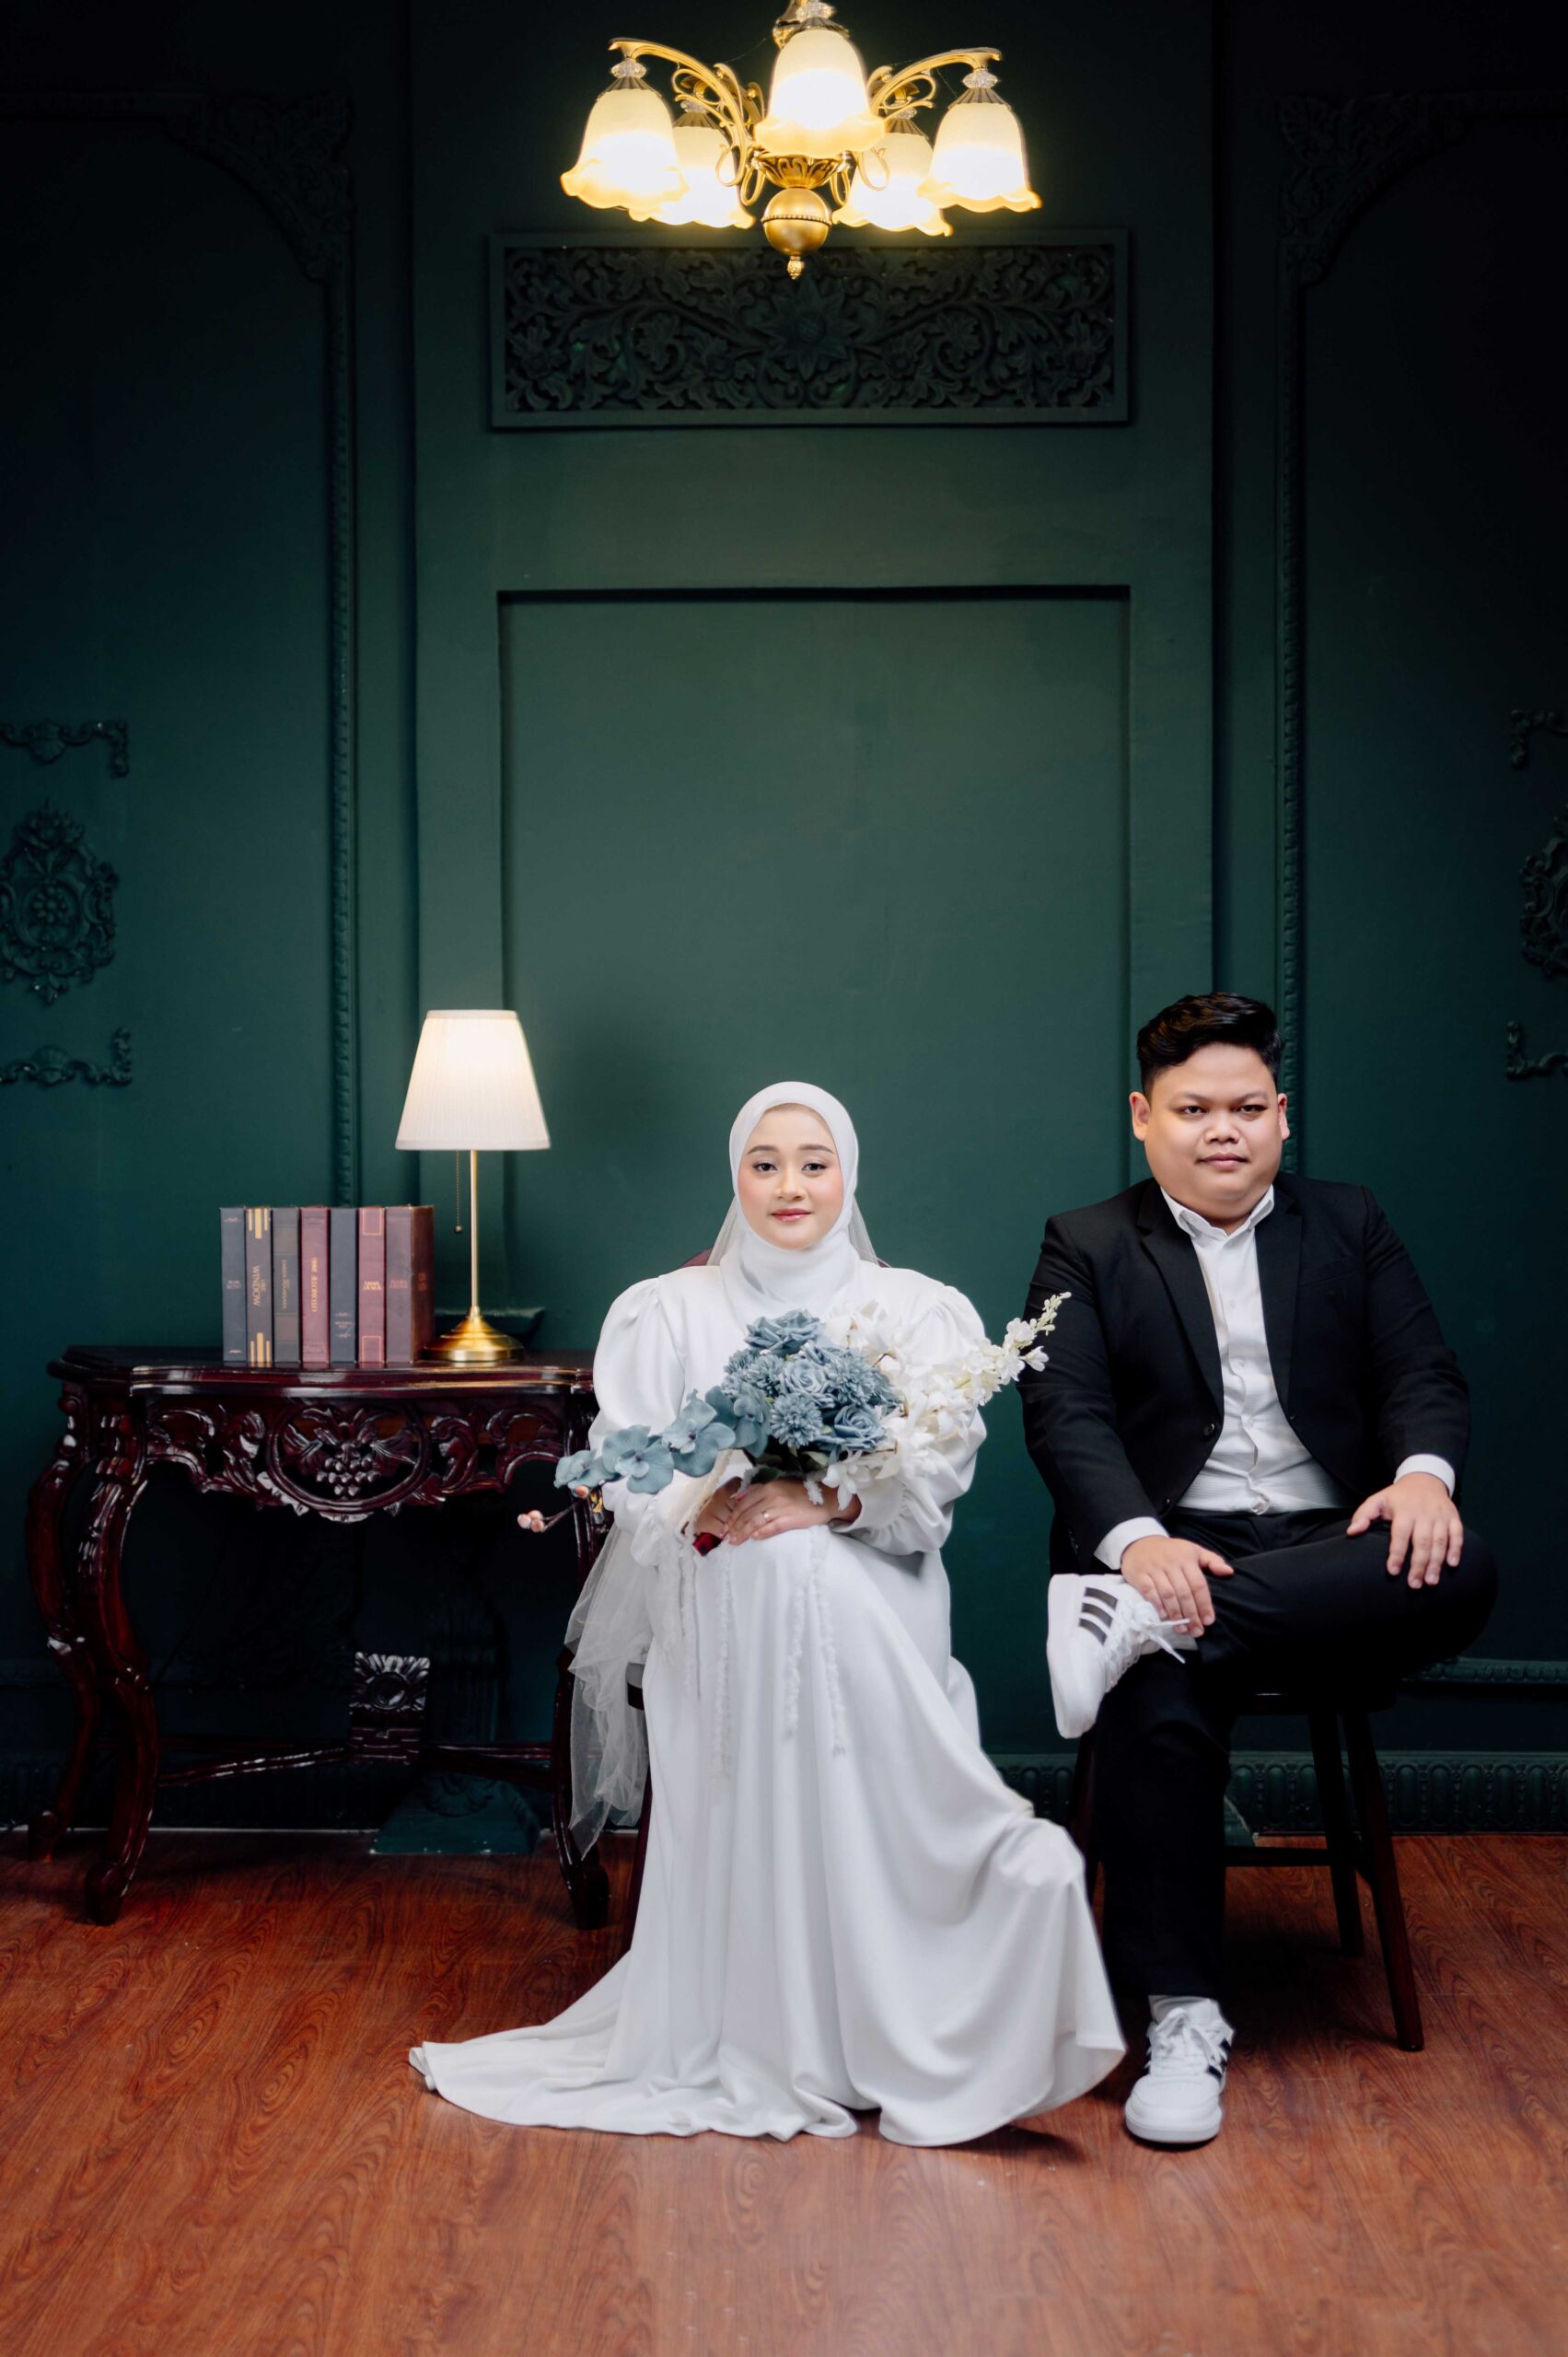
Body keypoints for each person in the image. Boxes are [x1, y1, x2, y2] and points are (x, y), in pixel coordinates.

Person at [411, 1082, 1123, 2143]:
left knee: (801, 1561)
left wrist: (827, 1500)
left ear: (847, 1176)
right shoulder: (669, 1309)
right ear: (734, 1178)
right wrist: (709, 1498)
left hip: (875, 1581)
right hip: (720, 1580)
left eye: (813, 1163)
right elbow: (637, 1473)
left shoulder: (913, 1310)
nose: (790, 1185)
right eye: (765, 1163)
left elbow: (931, 1488)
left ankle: (953, 1901)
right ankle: (801, 2002)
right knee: (774, 1562)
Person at [1021, 993, 1497, 2149]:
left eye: (1244, 1107)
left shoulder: (1349, 1221)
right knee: (1158, 1688)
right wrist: (1137, 1544)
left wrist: (1421, 1477)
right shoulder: (1086, 1239)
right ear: (1143, 1118)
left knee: (1459, 1565)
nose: (1221, 1129)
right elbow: (1064, 1413)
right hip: (1172, 1536)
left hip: (1336, 1542)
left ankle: (1140, 1623)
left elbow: (1420, 1372)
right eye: (1192, 1109)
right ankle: (1181, 2017)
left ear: (1281, 1115)